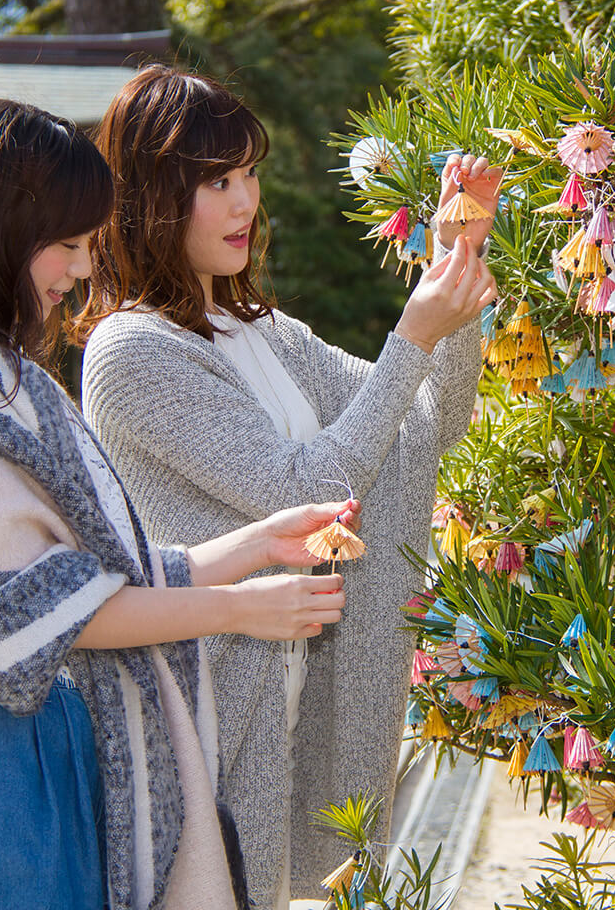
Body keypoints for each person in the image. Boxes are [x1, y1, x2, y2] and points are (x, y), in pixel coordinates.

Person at [0, 98, 357, 910]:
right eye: (66, 245)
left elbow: (76, 592)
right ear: (1, 229)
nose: (77, 270)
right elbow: (43, 611)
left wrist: (257, 545)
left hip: (14, 757)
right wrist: (239, 611)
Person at [77, 66, 500, 908]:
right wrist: (412, 334)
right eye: (217, 182)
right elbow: (302, 491)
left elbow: (425, 425)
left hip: (299, 698)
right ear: (154, 197)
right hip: (207, 725)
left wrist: (460, 260)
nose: (245, 203)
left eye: (249, 175)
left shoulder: (260, 329)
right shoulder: (131, 353)